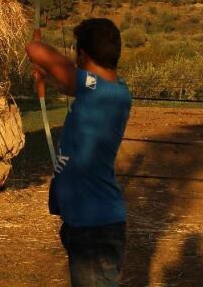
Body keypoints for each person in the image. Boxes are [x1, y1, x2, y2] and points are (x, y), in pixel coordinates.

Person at [25, 18, 132, 287]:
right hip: (88, 222)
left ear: (82, 54)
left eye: (77, 52)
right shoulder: (109, 91)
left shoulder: (100, 90)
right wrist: (47, 77)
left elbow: (34, 50)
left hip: (95, 225)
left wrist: (38, 46)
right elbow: (70, 85)